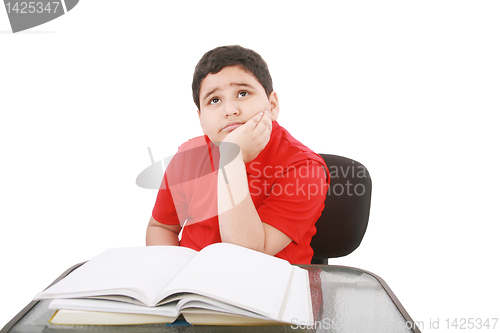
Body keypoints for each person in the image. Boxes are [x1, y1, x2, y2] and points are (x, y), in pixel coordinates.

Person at [146, 45, 330, 264]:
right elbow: (161, 227)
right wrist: (172, 273)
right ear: (201, 120)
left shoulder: (305, 168)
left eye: (243, 93)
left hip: (266, 287)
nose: (230, 109)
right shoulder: (189, 158)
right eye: (214, 100)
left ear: (272, 106)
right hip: (194, 287)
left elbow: (246, 255)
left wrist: (231, 159)